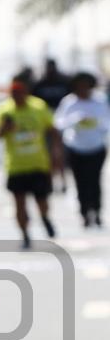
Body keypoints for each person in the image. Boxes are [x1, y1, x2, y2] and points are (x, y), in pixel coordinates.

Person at [0, 75, 62, 249]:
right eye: (13, 93)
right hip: (16, 166)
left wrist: (56, 153)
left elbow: (53, 130)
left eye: (20, 92)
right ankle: (25, 235)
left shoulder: (38, 106)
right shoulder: (4, 110)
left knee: (42, 200)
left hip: (38, 164)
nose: (17, 96)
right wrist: (4, 129)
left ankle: (45, 218)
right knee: (19, 203)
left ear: (26, 92)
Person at [55, 72, 110, 228]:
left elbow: (107, 121)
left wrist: (96, 123)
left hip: (96, 147)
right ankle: (84, 212)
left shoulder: (99, 101)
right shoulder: (69, 102)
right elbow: (59, 123)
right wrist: (74, 120)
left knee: (95, 181)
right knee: (80, 182)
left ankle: (97, 211)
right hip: (76, 148)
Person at [33, 59, 71, 192]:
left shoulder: (64, 82)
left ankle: (63, 180)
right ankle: (50, 181)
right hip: (45, 122)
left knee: (61, 154)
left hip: (62, 122)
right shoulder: (39, 83)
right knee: (47, 153)